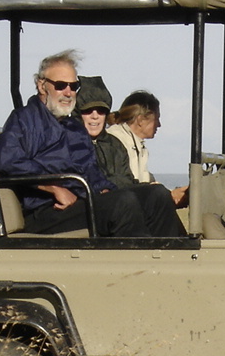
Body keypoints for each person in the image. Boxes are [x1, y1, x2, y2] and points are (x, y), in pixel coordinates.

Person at [0, 50, 176, 237]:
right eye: (61, 85)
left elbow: (90, 170)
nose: (68, 92)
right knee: (123, 202)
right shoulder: (25, 119)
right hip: (47, 210)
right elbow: (6, 160)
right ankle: (139, 262)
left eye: (74, 86)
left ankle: (176, 259)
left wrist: (104, 189)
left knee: (157, 195)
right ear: (42, 85)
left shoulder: (75, 127)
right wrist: (54, 188)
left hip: (82, 201)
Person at [78, 76, 185, 236]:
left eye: (101, 111)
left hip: (120, 197)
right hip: (98, 204)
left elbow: (127, 179)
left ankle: (175, 247)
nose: (95, 116)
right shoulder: (75, 141)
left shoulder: (113, 144)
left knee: (158, 194)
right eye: (88, 111)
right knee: (133, 199)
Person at [107, 90, 187, 206]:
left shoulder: (137, 145)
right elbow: (127, 186)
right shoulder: (116, 141)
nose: (159, 125)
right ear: (140, 120)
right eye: (156, 119)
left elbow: (146, 183)